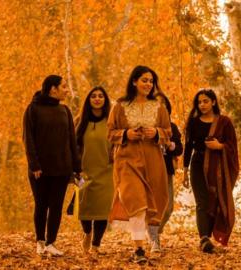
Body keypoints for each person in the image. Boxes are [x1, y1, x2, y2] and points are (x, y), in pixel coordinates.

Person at [107, 65, 170, 264]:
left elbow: (168, 132)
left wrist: (157, 133)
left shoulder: (158, 107)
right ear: (134, 81)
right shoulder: (120, 105)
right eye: (144, 80)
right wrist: (126, 134)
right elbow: (110, 133)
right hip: (127, 160)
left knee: (154, 202)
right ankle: (139, 249)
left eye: (151, 81)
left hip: (153, 160)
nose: (148, 84)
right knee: (136, 202)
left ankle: (149, 242)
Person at [23, 75, 81, 256]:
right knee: (41, 205)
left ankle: (51, 243)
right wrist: (34, 165)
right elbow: (28, 139)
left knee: (56, 207)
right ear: (52, 89)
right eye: (63, 86)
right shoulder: (33, 109)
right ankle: (40, 241)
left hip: (62, 168)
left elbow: (72, 140)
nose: (66, 90)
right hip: (40, 169)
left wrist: (77, 168)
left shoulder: (65, 110)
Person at [183, 89, 239, 253]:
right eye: (199, 102)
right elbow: (188, 147)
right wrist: (185, 171)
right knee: (202, 201)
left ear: (213, 102)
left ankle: (210, 237)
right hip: (198, 163)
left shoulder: (224, 122)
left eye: (206, 101)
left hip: (218, 167)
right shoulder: (193, 122)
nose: (202, 105)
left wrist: (220, 146)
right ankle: (204, 239)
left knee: (214, 200)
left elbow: (232, 145)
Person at [74, 86, 113, 254]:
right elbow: (73, 146)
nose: (97, 99)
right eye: (93, 96)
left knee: (102, 211)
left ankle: (96, 245)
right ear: (88, 100)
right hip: (84, 172)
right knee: (84, 209)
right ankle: (87, 233)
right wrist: (75, 169)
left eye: (100, 96)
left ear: (105, 100)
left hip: (107, 172)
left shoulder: (112, 121)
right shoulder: (79, 121)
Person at [152, 93, 183, 251]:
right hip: (149, 171)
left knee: (168, 206)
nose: (160, 106)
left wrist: (170, 144)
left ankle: (155, 231)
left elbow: (179, 148)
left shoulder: (172, 126)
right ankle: (154, 239)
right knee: (152, 206)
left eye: (163, 103)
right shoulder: (145, 126)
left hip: (167, 170)